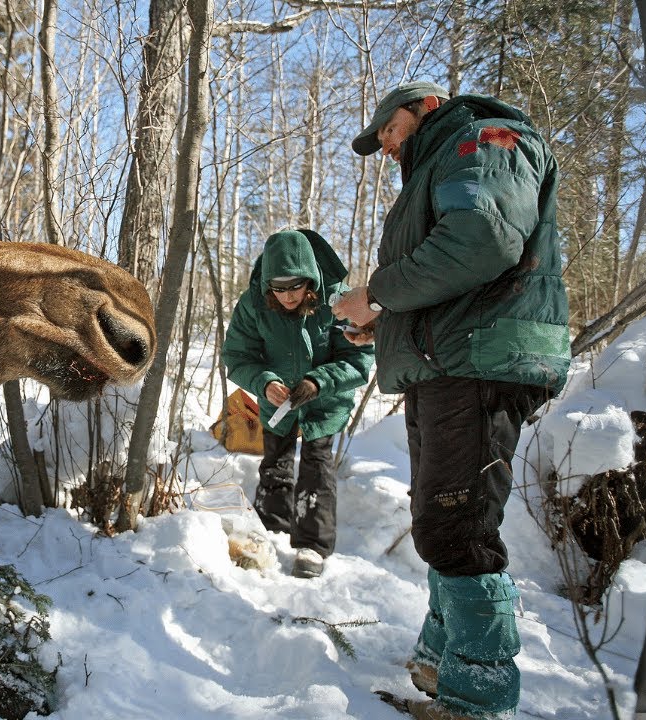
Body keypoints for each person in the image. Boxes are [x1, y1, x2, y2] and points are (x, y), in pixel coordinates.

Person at [333, 81, 570, 720]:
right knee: (439, 518)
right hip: (451, 362)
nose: (384, 146)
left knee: (457, 527)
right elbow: (450, 280)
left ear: (422, 108)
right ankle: (443, 662)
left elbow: (484, 242)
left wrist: (377, 292)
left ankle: (478, 699)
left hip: (480, 361)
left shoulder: (480, 141)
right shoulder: (444, 161)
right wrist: (382, 322)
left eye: (387, 130)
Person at [221, 229, 374, 579]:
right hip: (277, 403)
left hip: (326, 402)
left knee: (317, 467)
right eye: (279, 287)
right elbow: (237, 356)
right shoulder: (253, 303)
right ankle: (268, 533)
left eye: (296, 286)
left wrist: (318, 382)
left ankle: (312, 546)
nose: (288, 296)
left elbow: (359, 360)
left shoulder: (339, 301)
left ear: (311, 280)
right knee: (275, 462)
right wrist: (264, 381)